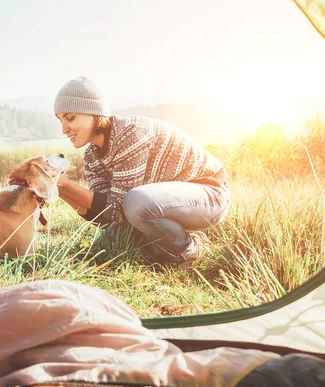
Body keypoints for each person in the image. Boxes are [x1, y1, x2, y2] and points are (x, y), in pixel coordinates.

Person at [54, 76, 230, 268]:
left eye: (70, 118)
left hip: (209, 193)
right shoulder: (92, 156)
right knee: (105, 245)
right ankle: (160, 247)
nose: (64, 129)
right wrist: (58, 189)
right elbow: (104, 216)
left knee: (135, 203)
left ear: (94, 112)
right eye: (60, 120)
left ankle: (189, 249)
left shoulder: (130, 133)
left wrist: (64, 184)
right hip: (167, 203)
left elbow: (118, 208)